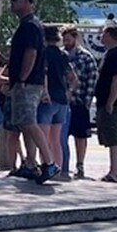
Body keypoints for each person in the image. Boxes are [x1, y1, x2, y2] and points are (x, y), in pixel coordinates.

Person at [6, 0, 59, 184]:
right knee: (25, 123)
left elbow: (31, 53)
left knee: (29, 122)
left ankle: (50, 163)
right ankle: (31, 164)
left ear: (27, 2)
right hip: (30, 83)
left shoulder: (29, 26)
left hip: (27, 83)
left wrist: (21, 78)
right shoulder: (30, 25)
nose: (12, 2)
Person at [37, 26, 78, 181]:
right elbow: (73, 77)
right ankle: (59, 170)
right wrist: (69, 92)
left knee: (44, 138)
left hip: (48, 99)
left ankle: (47, 166)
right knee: (56, 139)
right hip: (62, 99)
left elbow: (44, 73)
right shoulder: (64, 55)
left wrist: (45, 92)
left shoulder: (44, 54)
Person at [61, 25, 99, 180]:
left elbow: (92, 79)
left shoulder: (86, 57)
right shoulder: (61, 55)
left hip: (79, 101)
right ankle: (62, 165)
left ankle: (80, 164)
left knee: (80, 136)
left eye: (68, 39)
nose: (66, 42)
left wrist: (86, 102)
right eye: (64, 39)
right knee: (61, 137)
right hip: (62, 103)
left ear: (75, 38)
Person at [94, 25, 117, 183]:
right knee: (109, 136)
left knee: (114, 137)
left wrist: (110, 102)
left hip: (113, 103)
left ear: (109, 35)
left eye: (103, 33)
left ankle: (115, 172)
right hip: (105, 101)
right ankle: (114, 169)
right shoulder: (110, 53)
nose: (101, 36)